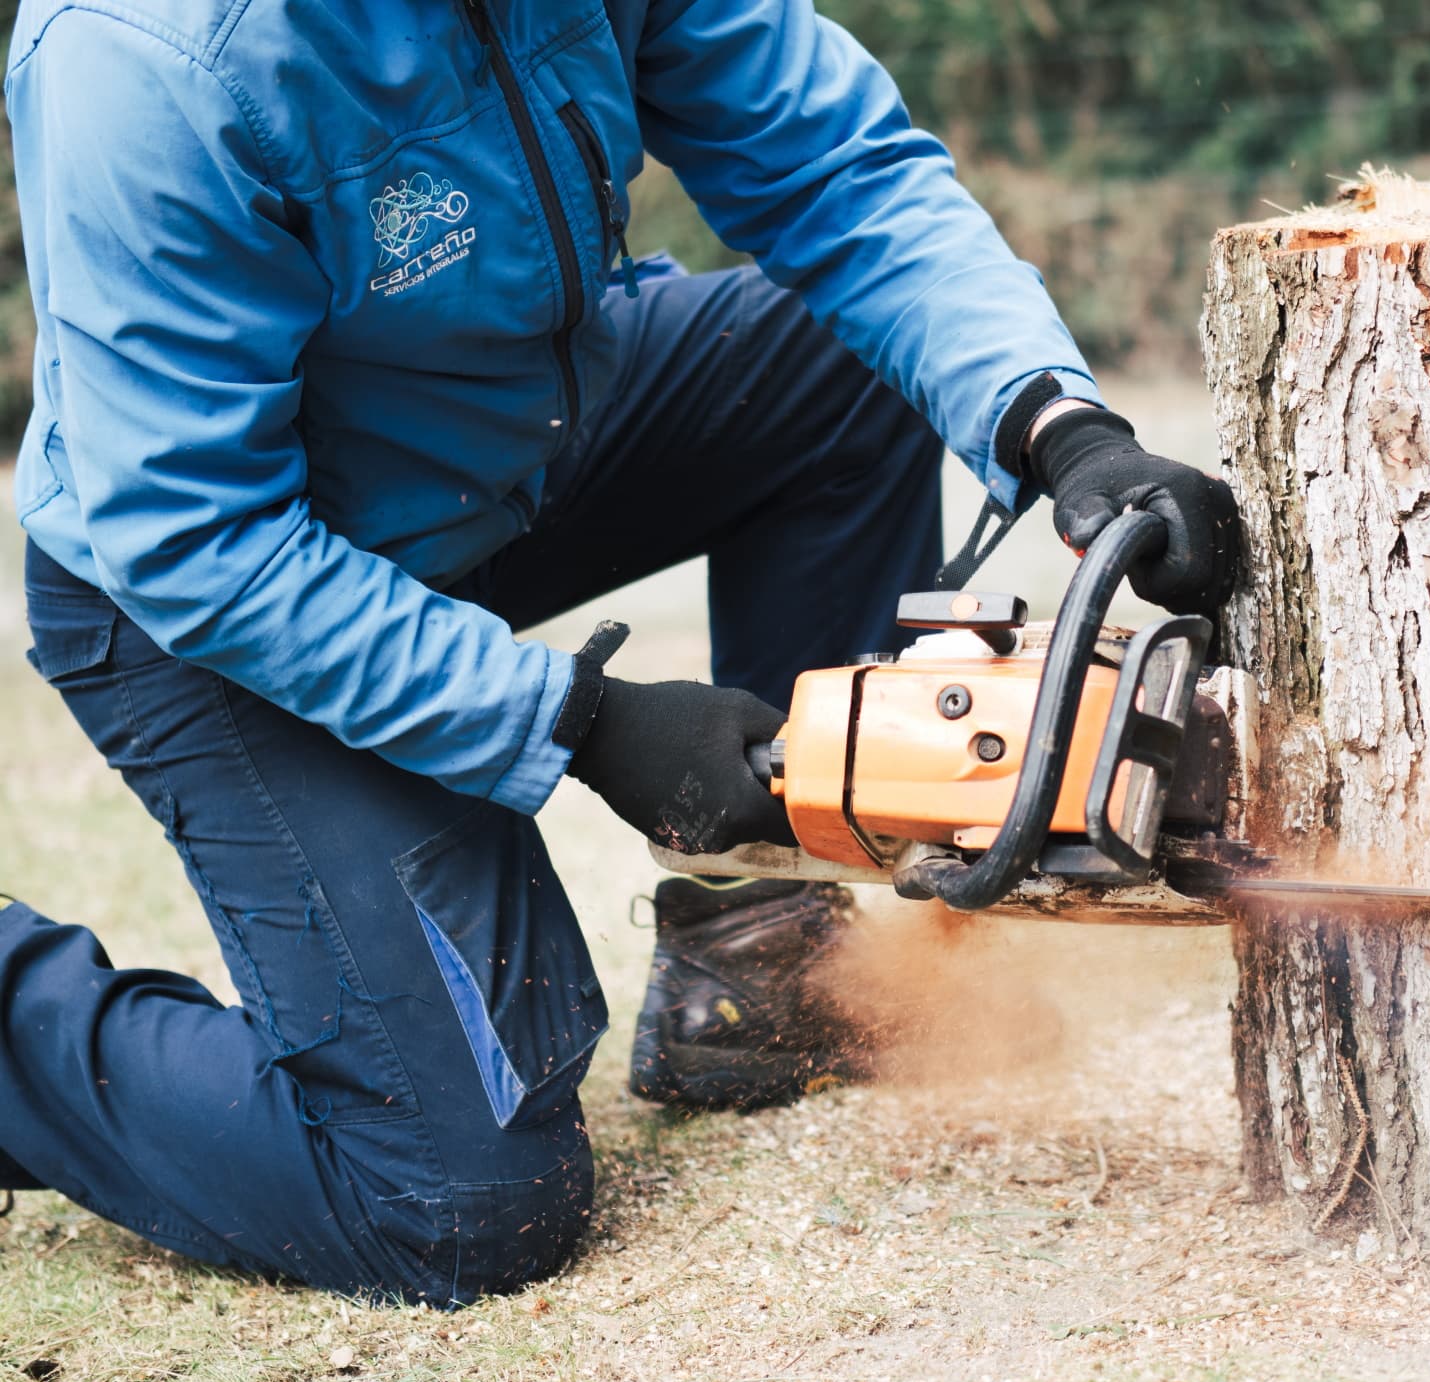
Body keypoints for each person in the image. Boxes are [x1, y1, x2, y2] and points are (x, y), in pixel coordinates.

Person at [0, 0, 1239, 1305]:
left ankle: (764, 970)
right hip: (218, 591)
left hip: (508, 444)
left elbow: (836, 169)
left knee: (845, 359)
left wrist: (1055, 422)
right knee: (452, 1197)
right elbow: (196, 534)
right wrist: (582, 724)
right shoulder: (145, 59)